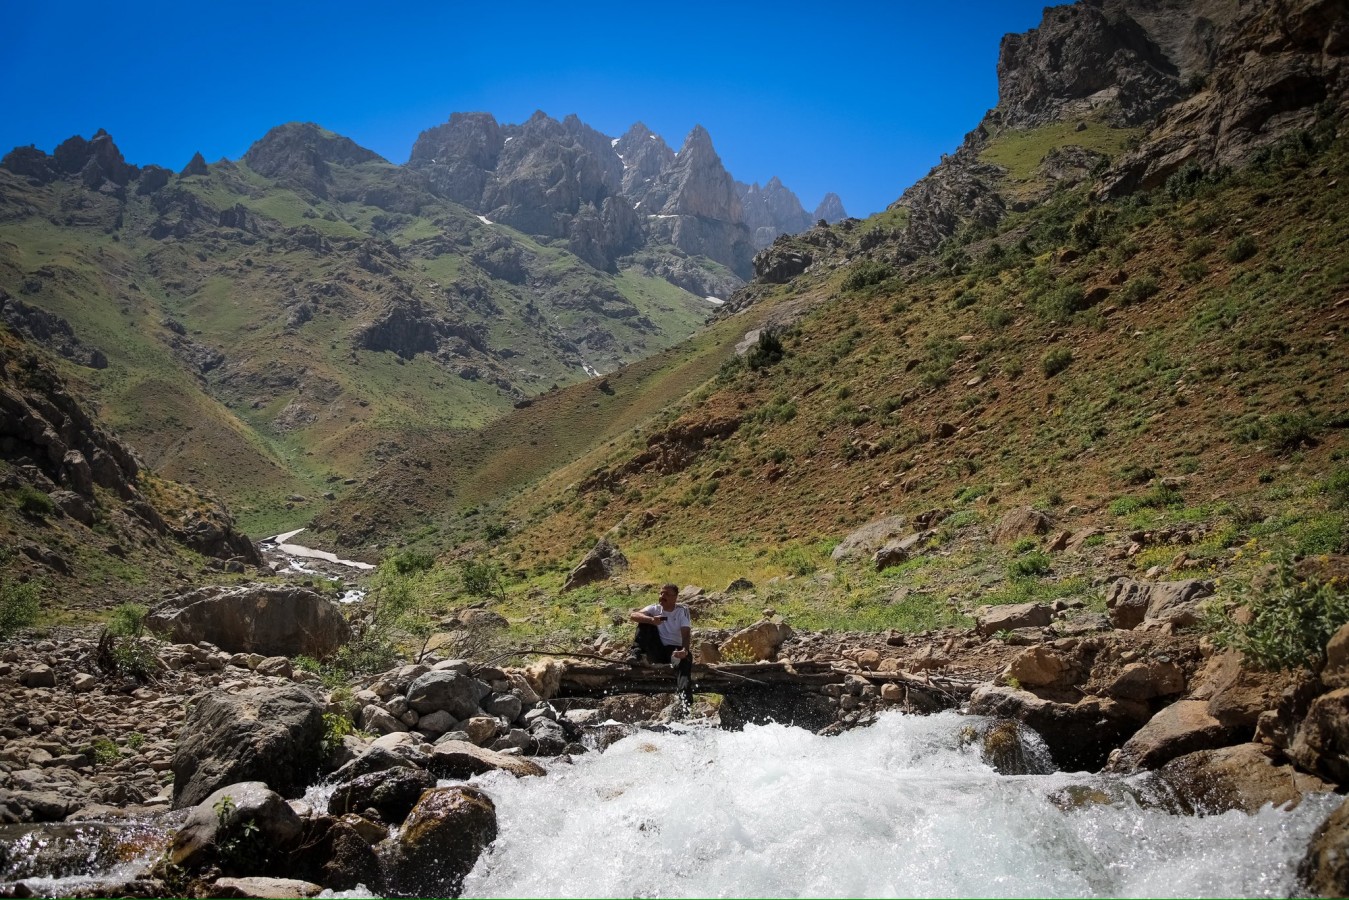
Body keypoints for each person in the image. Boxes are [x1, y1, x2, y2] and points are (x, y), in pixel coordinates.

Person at [626, 583, 694, 705]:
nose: (662, 596)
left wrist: (684, 650)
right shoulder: (655, 609)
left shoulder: (681, 611)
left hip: (674, 650)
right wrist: (651, 620)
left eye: (667, 594)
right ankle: (636, 654)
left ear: (675, 597)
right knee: (644, 622)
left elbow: (686, 634)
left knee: (685, 659)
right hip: (657, 649)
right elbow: (633, 615)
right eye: (661, 593)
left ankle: (685, 700)